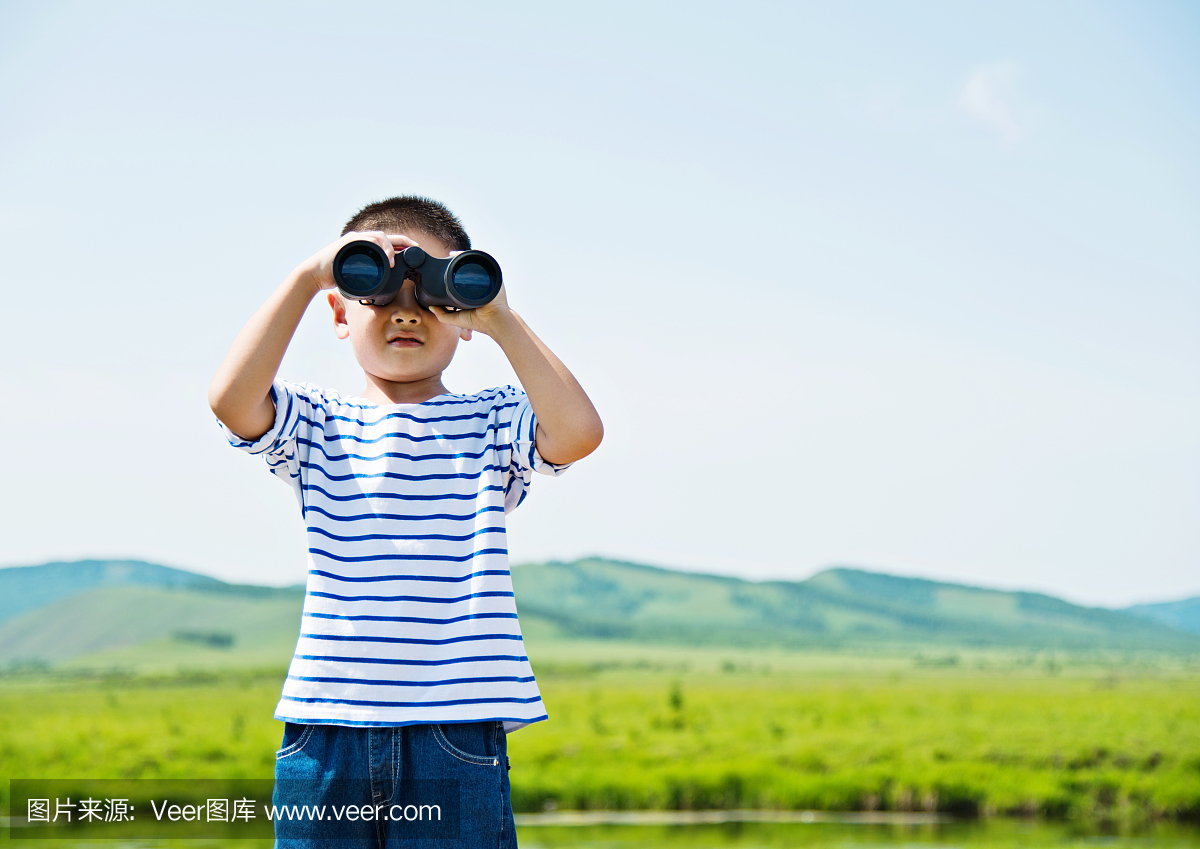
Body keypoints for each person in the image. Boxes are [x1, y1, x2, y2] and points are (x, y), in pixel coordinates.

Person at [208, 196, 603, 848]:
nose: (405, 309)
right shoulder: (317, 423)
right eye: (378, 290)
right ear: (340, 309)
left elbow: (579, 431)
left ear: (463, 314)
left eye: (434, 296)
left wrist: (502, 318)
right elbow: (231, 401)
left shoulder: (493, 420)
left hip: (458, 727)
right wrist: (311, 275)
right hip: (328, 725)